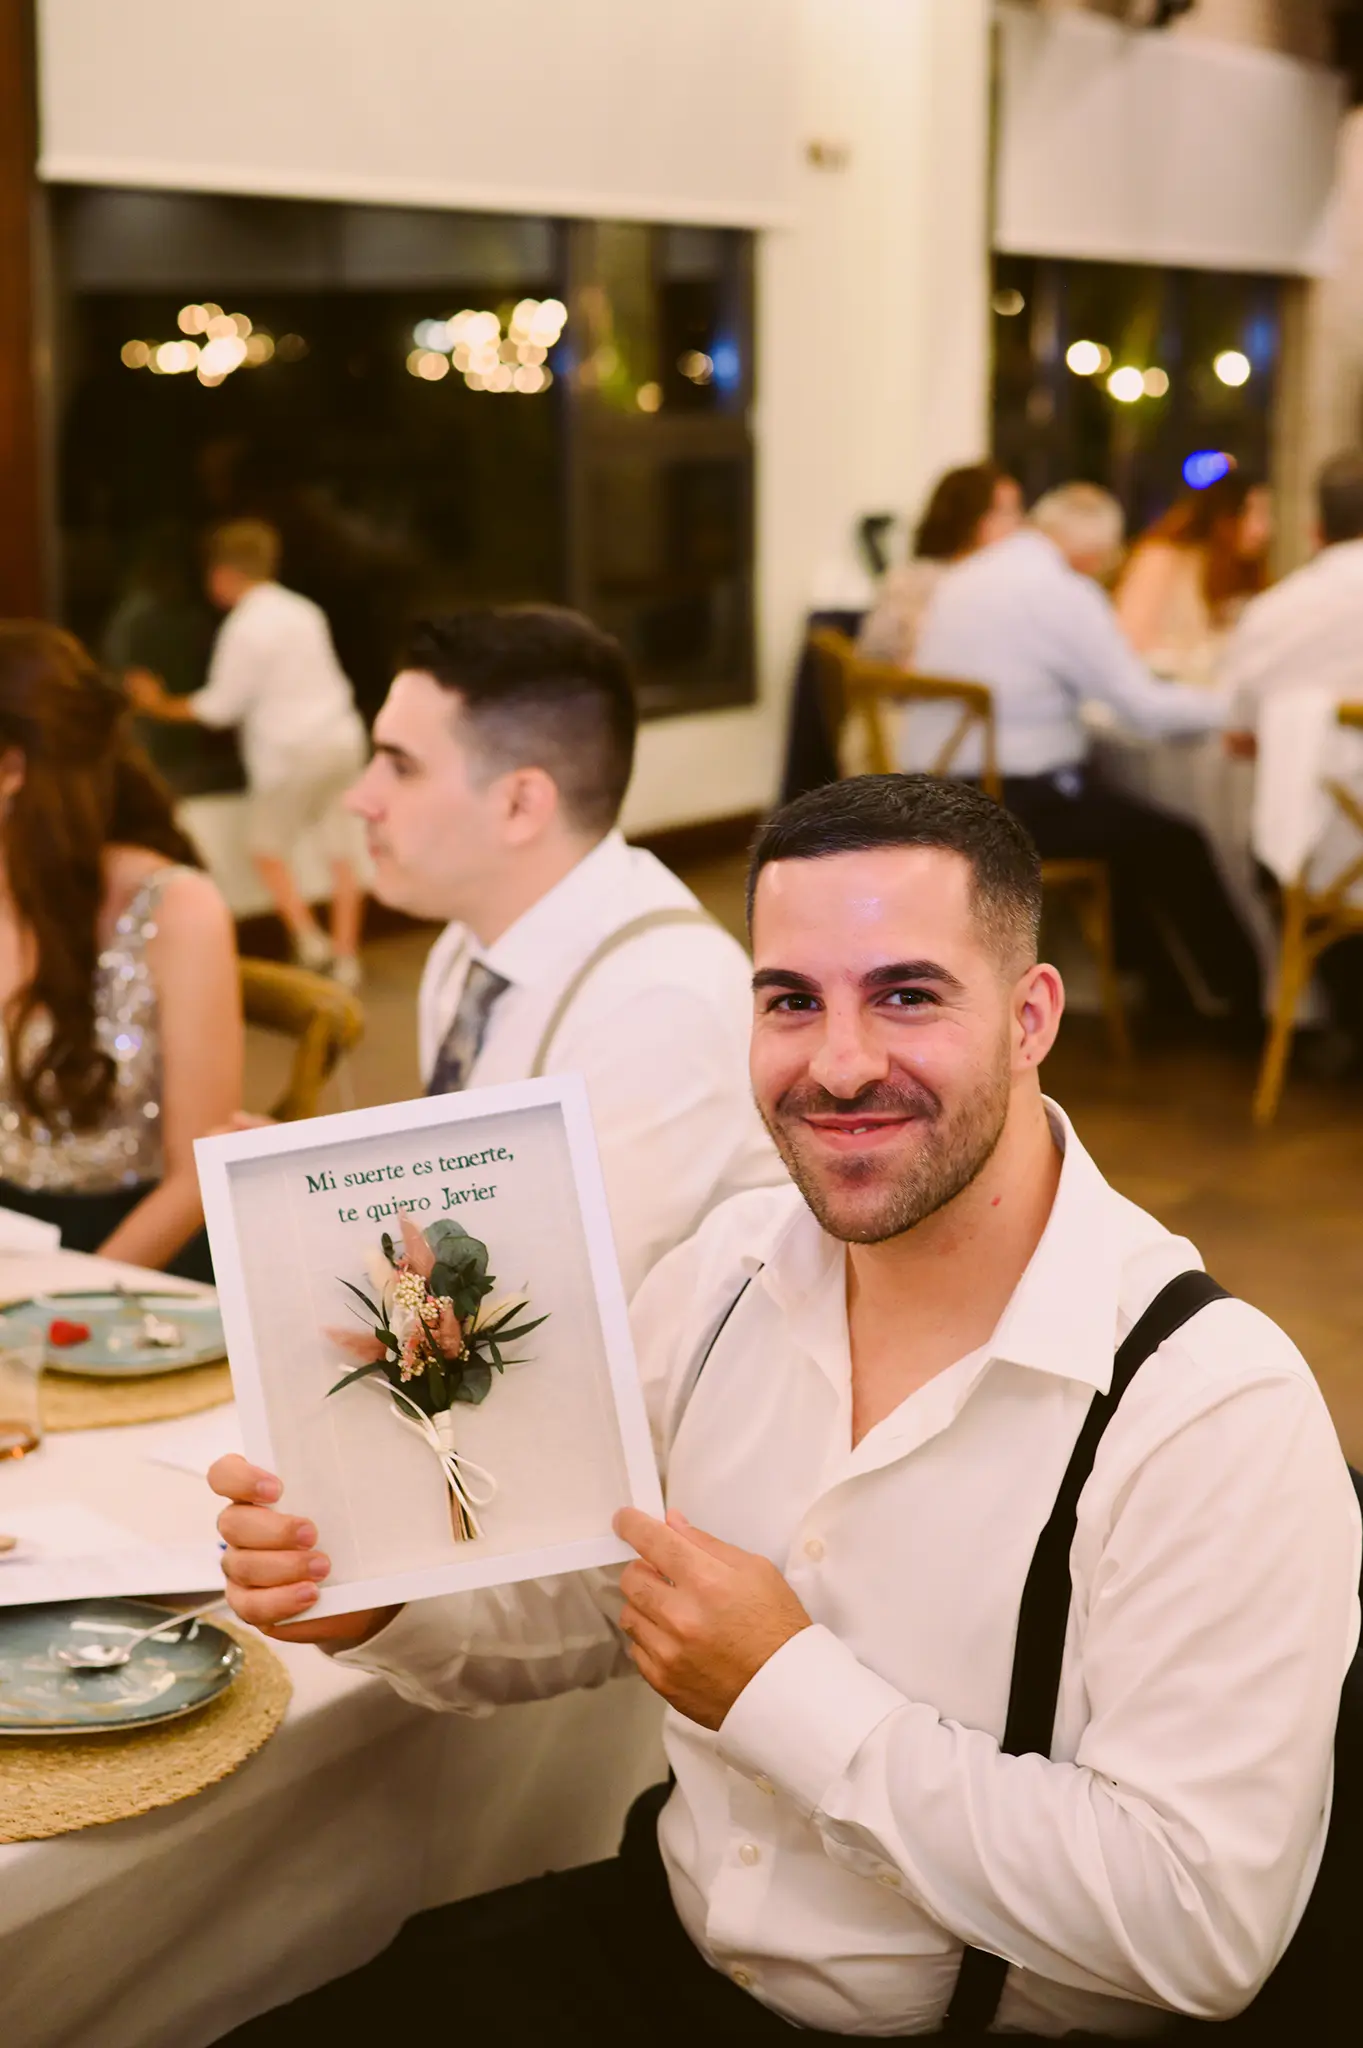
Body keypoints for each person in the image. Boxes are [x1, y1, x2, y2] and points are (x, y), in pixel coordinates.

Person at [210, 775, 1358, 2046]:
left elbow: (1201, 1924)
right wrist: (384, 1602)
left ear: (1032, 1016)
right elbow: (595, 1598)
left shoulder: (1208, 1409)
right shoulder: (722, 1274)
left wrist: (779, 1687)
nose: (840, 1063)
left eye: (906, 994)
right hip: (661, 1950)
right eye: (791, 1000)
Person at [343, 606, 780, 1298]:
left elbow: (544, 1303)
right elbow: (454, 1204)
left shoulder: (660, 1002)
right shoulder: (468, 946)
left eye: (400, 766)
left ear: (521, 804)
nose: (360, 797)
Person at [914, 483, 1263, 1028]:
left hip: (935, 795)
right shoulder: (1063, 592)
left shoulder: (965, 576)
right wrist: (1235, 710)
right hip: (1004, 807)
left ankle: (1162, 995)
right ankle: (1245, 1007)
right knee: (1175, 842)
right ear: (1094, 552)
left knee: (1122, 825)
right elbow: (1142, 708)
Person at [0, 624, 240, 1279]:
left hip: (136, 1256)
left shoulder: (174, 908)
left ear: (12, 770)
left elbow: (197, 1175)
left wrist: (61, 1295)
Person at [127, 519, 368, 989]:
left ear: (221, 574)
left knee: (265, 848)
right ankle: (346, 958)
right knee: (343, 853)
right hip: (340, 739)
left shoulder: (245, 628)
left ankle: (310, 942)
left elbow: (220, 708)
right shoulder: (303, 611)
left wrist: (156, 705)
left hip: (292, 751)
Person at [1221, 451, 1363, 1063]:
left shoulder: (1275, 611)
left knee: (1272, 855)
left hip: (1322, 861)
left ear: (1317, 529)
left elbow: (1237, 735)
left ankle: (1340, 1025)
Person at [856, 461, 1023, 669]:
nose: (1019, 526)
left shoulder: (1010, 587)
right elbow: (875, 662)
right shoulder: (914, 583)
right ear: (972, 519)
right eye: (1007, 512)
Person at [1115, 473, 1272, 680]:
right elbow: (1129, 640)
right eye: (1256, 514)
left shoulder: (1245, 570)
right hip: (1161, 688)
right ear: (1224, 516)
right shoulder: (1162, 558)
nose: (1265, 529)